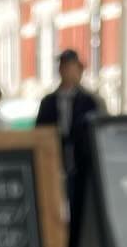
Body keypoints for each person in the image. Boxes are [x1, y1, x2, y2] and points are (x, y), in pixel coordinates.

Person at [35, 49, 106, 195]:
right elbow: (40, 132)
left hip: (84, 159)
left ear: (79, 70)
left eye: (70, 67)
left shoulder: (91, 101)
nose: (66, 71)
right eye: (63, 67)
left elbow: (101, 130)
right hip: (55, 157)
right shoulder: (48, 102)